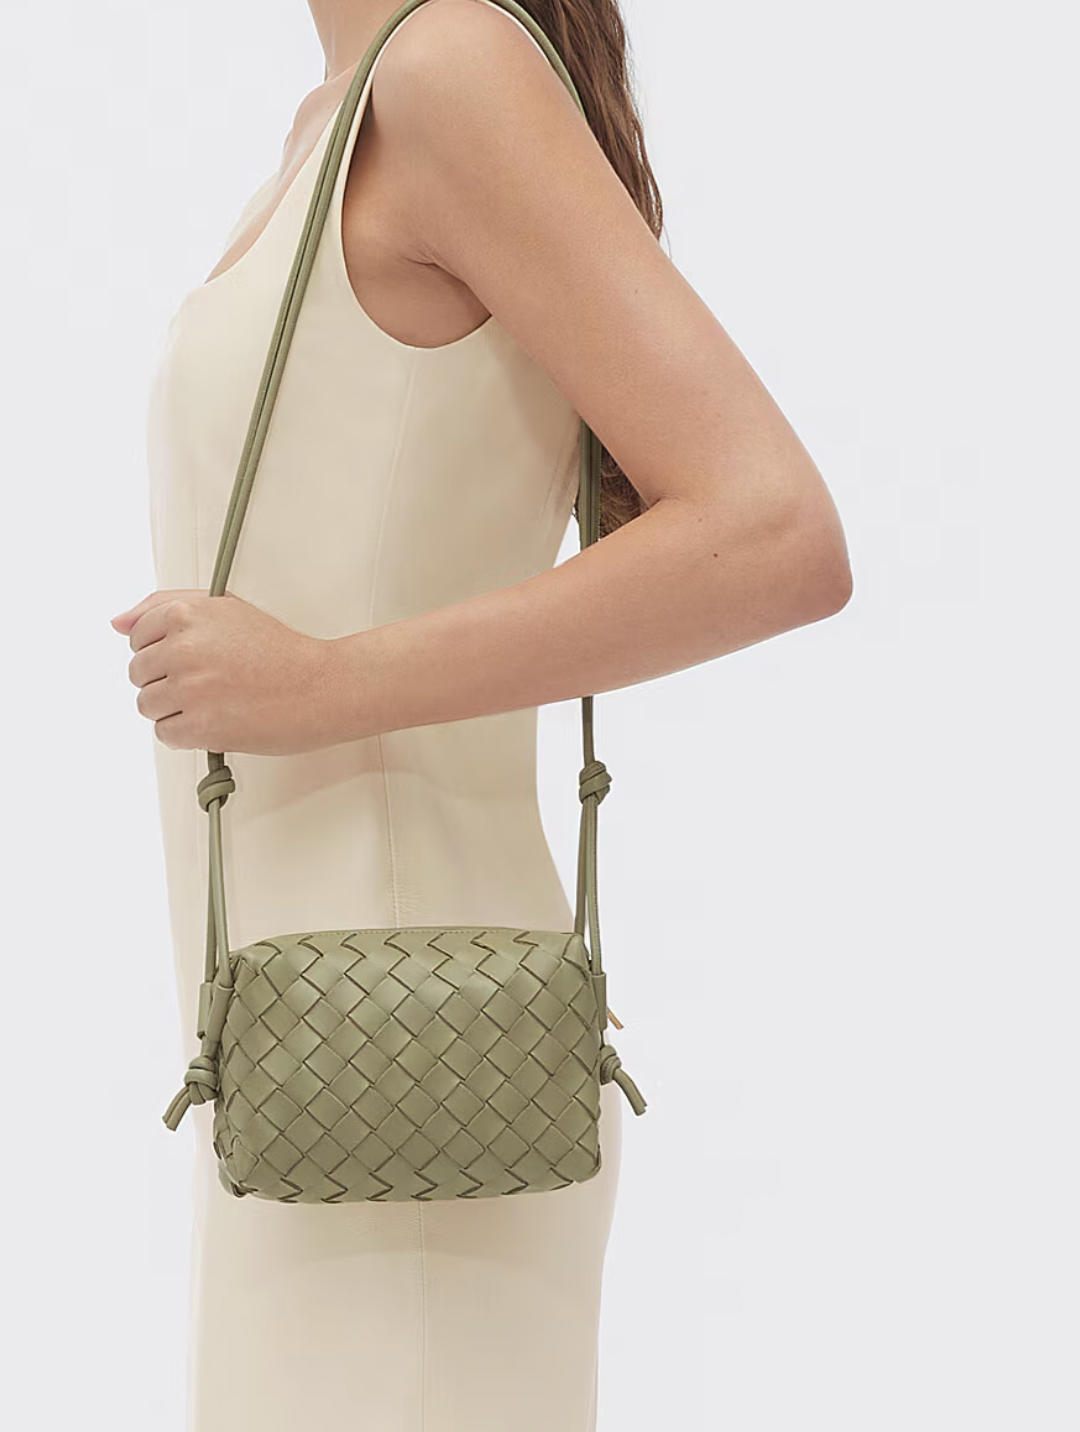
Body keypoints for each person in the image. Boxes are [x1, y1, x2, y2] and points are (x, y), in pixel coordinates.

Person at [110, 0, 852, 1427]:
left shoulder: (447, 68)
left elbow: (775, 534)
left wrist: (326, 684)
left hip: (407, 1082)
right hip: (295, 1065)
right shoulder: (341, 111)